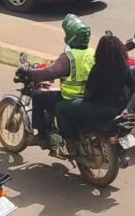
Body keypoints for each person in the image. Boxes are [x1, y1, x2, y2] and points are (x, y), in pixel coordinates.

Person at [17, 15, 93, 148]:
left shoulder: (69, 57)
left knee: (38, 95)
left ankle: (41, 136)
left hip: (70, 98)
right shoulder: (91, 52)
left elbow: (49, 73)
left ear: (71, 37)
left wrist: (28, 73)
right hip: (87, 96)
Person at [56, 34, 135, 145]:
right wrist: (127, 109)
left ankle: (70, 141)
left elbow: (88, 94)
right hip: (119, 108)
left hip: (101, 109)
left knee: (61, 107)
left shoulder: (98, 69)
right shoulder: (123, 67)